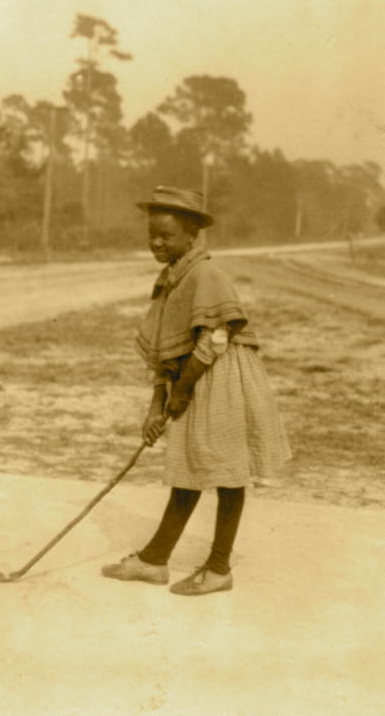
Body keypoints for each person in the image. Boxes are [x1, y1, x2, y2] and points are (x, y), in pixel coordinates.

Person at [101, 186, 291, 595]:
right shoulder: (170, 279)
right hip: (190, 376)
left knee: (226, 470)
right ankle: (155, 560)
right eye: (152, 233)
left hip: (220, 376)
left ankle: (219, 567)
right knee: (188, 466)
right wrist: (156, 405)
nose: (156, 242)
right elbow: (162, 354)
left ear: (192, 236)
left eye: (166, 236)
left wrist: (182, 392)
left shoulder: (207, 274)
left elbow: (216, 339)